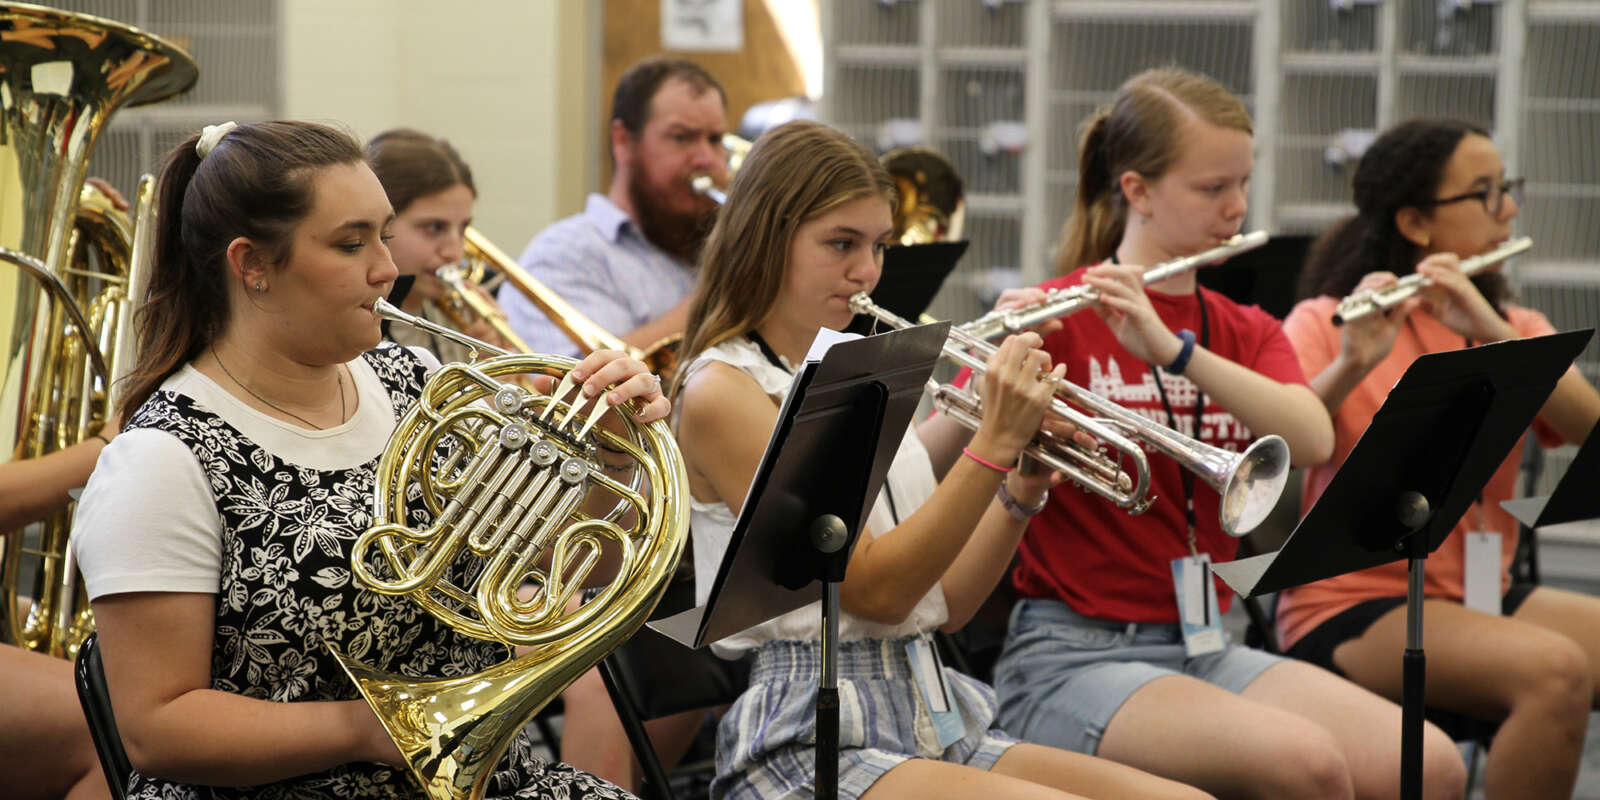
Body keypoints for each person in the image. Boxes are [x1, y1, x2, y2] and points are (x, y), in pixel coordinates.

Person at [69, 119, 669, 800]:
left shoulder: (422, 383)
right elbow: (158, 727)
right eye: (351, 244)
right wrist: (376, 728)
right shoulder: (161, 459)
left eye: (385, 235)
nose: (388, 268)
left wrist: (610, 454)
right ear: (252, 265)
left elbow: (575, 567)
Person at [671, 118, 1209, 800]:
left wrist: (1023, 488)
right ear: (767, 238)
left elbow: (946, 606)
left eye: (878, 246)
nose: (866, 271)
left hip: (932, 702)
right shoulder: (726, 389)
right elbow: (876, 592)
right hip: (808, 728)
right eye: (841, 244)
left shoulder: (855, 370)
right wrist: (994, 440)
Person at [985, 68, 1469, 800]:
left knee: (1430, 765)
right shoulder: (1056, 314)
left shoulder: (1240, 328)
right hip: (1072, 654)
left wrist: (1173, 349)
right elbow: (948, 450)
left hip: (1208, 639)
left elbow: (1309, 437)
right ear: (1138, 191)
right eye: (1213, 189)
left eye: (1243, 183)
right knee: (1306, 764)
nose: (1237, 207)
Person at [1275, 118, 1600, 800]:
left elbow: (1589, 428)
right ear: (1417, 225)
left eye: (1507, 189)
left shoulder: (1512, 325)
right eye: (1485, 194)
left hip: (1482, 592)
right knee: (1555, 673)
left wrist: (1491, 328)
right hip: (1354, 600)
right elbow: (1276, 442)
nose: (1508, 210)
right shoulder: (1327, 322)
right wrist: (1349, 362)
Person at [499, 56, 727, 357]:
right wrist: (720, 300)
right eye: (682, 137)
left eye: (715, 139)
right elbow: (571, 391)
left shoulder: (716, 244)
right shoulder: (565, 254)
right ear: (623, 141)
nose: (705, 159)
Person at [364, 128, 512, 362]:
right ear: (381, 224)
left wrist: (493, 371)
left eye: (463, 228)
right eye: (434, 228)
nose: (454, 252)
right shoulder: (357, 328)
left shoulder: (460, 319)